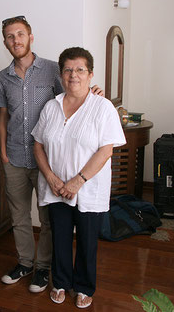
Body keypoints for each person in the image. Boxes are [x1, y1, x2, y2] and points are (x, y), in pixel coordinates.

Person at [0, 16, 103, 293]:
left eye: (20, 34)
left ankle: (43, 268)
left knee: (48, 220)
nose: (15, 40)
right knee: (19, 216)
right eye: (9, 36)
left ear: (31, 36)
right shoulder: (2, 77)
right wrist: (4, 152)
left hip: (47, 162)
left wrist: (95, 95)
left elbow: (73, 97)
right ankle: (25, 262)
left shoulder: (55, 69)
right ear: (5, 41)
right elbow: (3, 117)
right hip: (16, 157)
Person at [32, 47, 126, 308]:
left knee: (86, 241)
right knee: (59, 237)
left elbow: (106, 149)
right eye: (68, 70)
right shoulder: (51, 107)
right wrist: (51, 178)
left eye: (80, 70)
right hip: (56, 188)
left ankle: (84, 286)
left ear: (90, 74)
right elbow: (38, 144)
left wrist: (78, 181)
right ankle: (61, 282)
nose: (74, 75)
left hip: (87, 188)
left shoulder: (103, 107)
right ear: (61, 75)